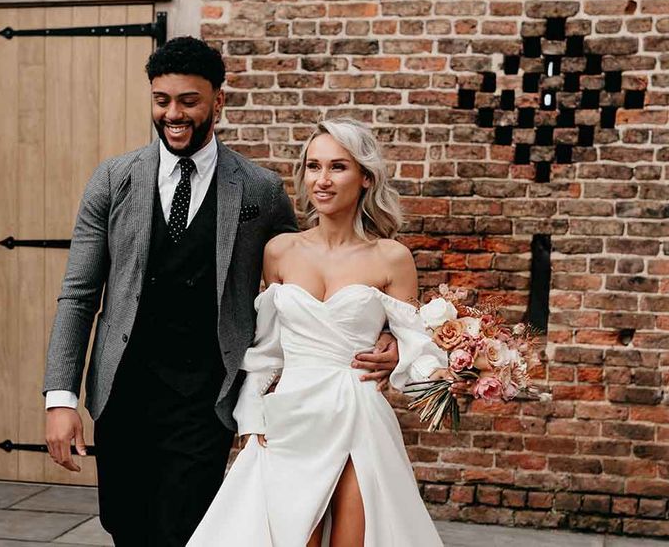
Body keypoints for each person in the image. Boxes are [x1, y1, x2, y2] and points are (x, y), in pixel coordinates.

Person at [42, 37, 400, 547]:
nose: (174, 114)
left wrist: (386, 333)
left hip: (206, 400)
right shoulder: (113, 179)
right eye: (162, 100)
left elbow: (313, 270)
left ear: (217, 101)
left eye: (189, 101)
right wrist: (60, 397)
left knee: (189, 531)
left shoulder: (259, 190)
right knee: (127, 527)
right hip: (124, 395)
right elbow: (78, 294)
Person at [188, 117, 450, 547]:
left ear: (366, 177)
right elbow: (267, 351)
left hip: (358, 413)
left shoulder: (392, 258)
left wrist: (418, 362)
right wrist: (251, 417)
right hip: (290, 416)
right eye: (313, 167)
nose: (322, 180)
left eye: (338, 167)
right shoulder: (280, 252)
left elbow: (415, 347)